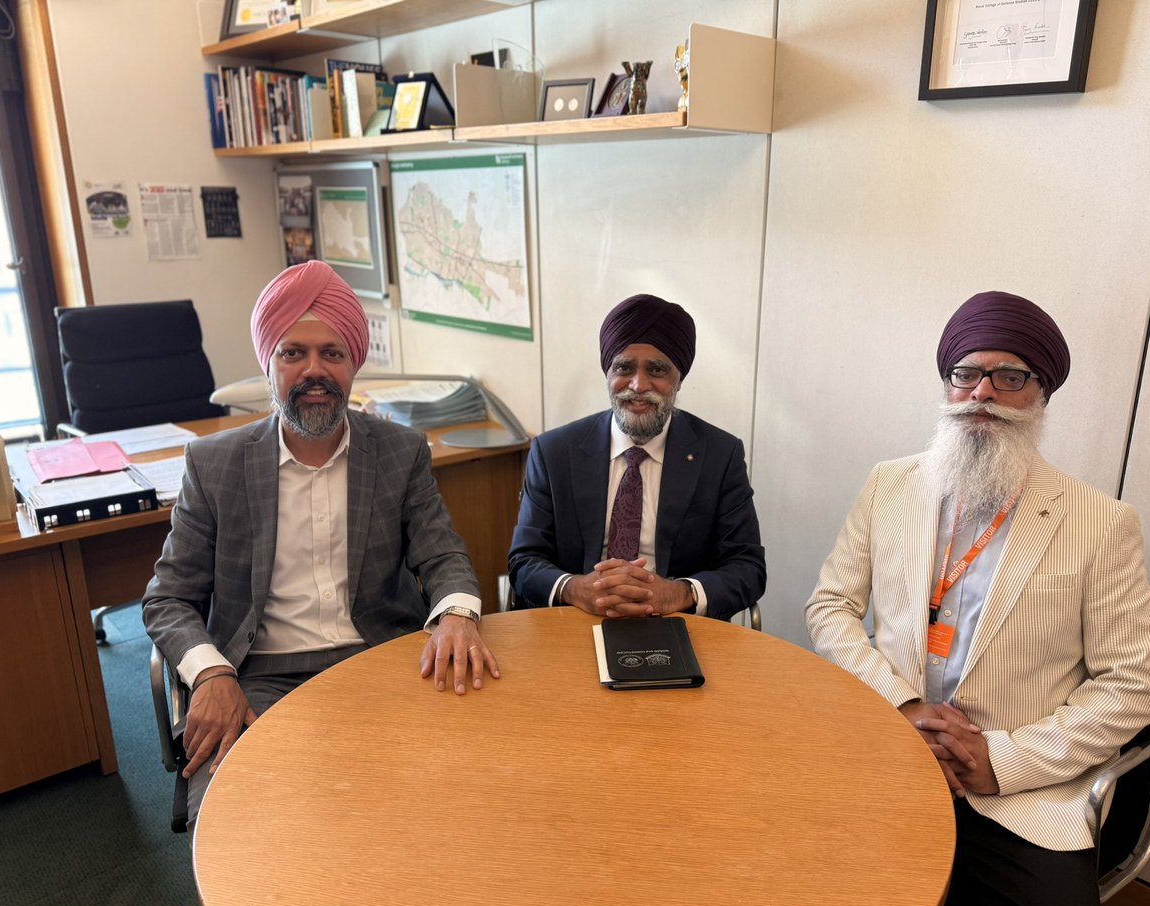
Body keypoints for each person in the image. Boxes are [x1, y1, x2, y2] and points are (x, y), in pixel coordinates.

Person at [805, 290, 1150, 906]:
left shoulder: (1100, 521)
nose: (982, 394)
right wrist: (903, 705)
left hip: (1019, 792)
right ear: (946, 384)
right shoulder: (890, 485)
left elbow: (1134, 686)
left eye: (1010, 376)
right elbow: (830, 606)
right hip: (887, 751)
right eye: (965, 374)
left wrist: (997, 760)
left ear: (1042, 394)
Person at [143, 260, 498, 824]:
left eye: (332, 353)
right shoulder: (214, 463)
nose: (315, 370)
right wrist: (211, 673)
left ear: (354, 363)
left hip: (380, 658)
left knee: (456, 800)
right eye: (293, 353)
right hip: (259, 674)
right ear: (269, 365)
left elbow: (442, 553)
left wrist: (456, 614)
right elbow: (168, 598)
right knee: (250, 826)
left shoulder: (399, 451)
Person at [509, 293, 765, 620]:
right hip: (576, 619)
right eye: (624, 368)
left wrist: (680, 592)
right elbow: (524, 560)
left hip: (679, 622)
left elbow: (748, 566)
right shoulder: (554, 452)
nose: (638, 385)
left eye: (657, 370)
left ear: (679, 379)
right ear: (608, 373)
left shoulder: (720, 455)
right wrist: (576, 588)